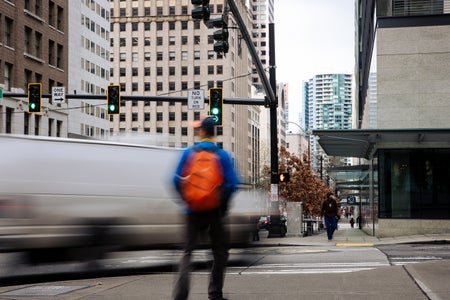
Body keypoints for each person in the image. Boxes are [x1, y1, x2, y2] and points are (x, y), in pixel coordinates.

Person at [172, 117, 239, 300]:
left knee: (187, 253)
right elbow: (233, 183)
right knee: (219, 252)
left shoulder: (189, 153)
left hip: (192, 211)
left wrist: (186, 200)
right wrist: (221, 203)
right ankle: (215, 293)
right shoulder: (222, 155)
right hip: (214, 212)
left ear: (202, 132)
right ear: (214, 133)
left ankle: (180, 295)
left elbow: (174, 180)